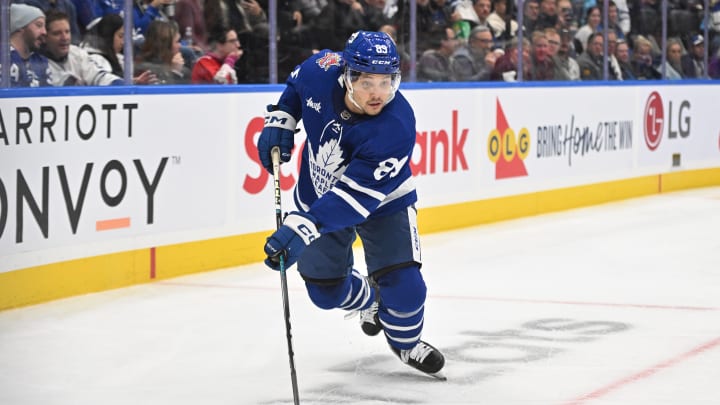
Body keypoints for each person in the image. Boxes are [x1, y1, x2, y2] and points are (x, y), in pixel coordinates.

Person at [256, 30, 445, 377]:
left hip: (384, 203)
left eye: (387, 82)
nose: (379, 94)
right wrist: (283, 116)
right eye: (368, 83)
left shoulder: (396, 126)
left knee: (407, 291)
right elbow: (297, 87)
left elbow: (354, 199)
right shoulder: (320, 69)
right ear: (347, 75)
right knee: (324, 293)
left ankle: (405, 344)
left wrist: (304, 225)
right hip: (317, 195)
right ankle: (371, 301)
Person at [42, 10, 124, 86]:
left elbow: (97, 75)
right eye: (57, 33)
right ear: (45, 37)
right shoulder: (35, 62)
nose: (65, 38)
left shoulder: (77, 53)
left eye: (67, 32)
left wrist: (123, 84)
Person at [80, 14, 158, 84]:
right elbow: (106, 83)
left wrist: (134, 82)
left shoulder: (120, 59)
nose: (123, 42)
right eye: (120, 36)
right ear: (108, 35)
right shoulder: (95, 60)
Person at [4, 3, 51, 87]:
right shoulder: (4, 59)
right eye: (39, 25)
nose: (44, 32)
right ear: (20, 26)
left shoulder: (40, 61)